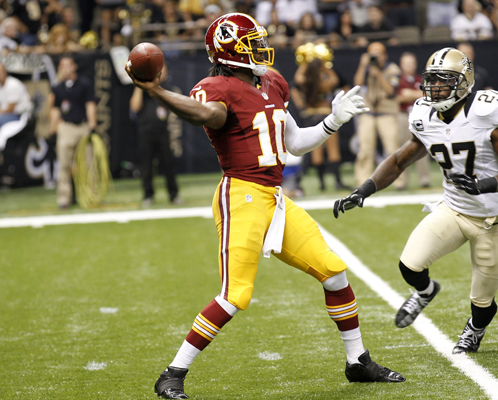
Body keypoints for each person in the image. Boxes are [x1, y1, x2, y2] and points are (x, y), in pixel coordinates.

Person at [126, 13, 405, 399]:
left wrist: (332, 123)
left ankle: (357, 361)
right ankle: (172, 374)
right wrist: (155, 90)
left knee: (334, 271)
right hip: (240, 194)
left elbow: (293, 142)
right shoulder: (215, 87)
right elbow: (206, 115)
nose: (259, 47)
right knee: (235, 294)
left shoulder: (271, 82)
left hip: (274, 197)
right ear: (229, 50)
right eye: (250, 43)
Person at [334, 47, 498, 354]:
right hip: (453, 209)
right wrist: (364, 190)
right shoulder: (424, 114)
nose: (434, 87)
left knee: (482, 301)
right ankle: (425, 292)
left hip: (492, 218)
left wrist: (484, 185)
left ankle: (475, 329)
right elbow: (399, 161)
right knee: (409, 264)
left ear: (464, 81)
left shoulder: (485, 111)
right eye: (432, 80)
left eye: (443, 80)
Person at [294, 51, 351, 191]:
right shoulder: (324, 82)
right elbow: (335, 80)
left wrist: (305, 64)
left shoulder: (306, 81)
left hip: (311, 117)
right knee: (333, 151)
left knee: (316, 152)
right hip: (326, 116)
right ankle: (337, 181)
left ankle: (322, 184)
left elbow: (297, 78)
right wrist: (325, 67)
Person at [130, 64, 182, 207]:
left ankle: (174, 195)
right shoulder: (143, 89)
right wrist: (140, 85)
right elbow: (134, 107)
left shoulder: (167, 88)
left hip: (163, 131)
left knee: (168, 164)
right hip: (145, 132)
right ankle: (148, 196)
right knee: (146, 166)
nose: (160, 73)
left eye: (163, 70)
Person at [49, 56, 97, 210]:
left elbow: (90, 104)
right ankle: (64, 198)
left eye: (68, 65)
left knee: (88, 164)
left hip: (82, 126)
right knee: (63, 165)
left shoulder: (84, 84)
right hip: (66, 128)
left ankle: (91, 196)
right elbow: (55, 108)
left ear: (74, 66)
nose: (66, 68)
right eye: (62, 66)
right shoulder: (58, 87)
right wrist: (53, 126)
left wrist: (92, 124)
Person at [353, 42, 403, 189]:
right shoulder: (366, 67)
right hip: (368, 112)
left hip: (387, 112)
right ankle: (362, 180)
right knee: (365, 148)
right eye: (372, 53)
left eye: (378, 53)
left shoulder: (393, 69)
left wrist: (379, 74)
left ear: (384, 55)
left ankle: (398, 182)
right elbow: (357, 85)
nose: (375, 57)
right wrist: (363, 66)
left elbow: (391, 91)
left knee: (392, 148)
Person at [396, 52, 430, 189]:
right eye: (406, 63)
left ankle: (424, 179)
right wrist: (416, 95)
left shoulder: (421, 80)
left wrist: (411, 94)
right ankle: (401, 182)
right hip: (403, 115)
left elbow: (428, 96)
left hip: (419, 116)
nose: (409, 66)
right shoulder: (397, 80)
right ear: (401, 65)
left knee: (422, 148)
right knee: (402, 149)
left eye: (411, 63)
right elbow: (397, 98)